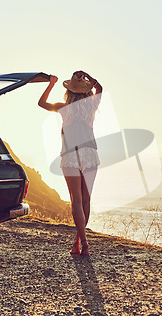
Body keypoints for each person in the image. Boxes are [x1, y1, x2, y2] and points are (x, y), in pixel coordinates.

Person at [38, 70, 102, 256]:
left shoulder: (63, 107)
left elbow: (41, 103)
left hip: (71, 154)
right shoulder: (91, 106)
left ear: (70, 91)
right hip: (90, 152)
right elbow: (100, 88)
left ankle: (82, 241)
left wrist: (51, 83)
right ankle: (79, 242)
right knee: (86, 199)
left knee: (76, 200)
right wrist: (89, 77)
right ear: (86, 90)